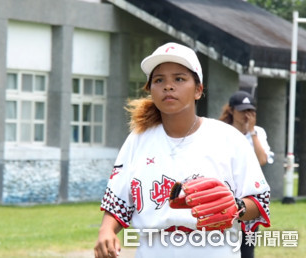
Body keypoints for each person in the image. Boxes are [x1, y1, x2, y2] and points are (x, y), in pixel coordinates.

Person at [94, 42, 270, 258]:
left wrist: (236, 207)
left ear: (198, 90)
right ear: (151, 90)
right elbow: (118, 202)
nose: (168, 86)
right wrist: (106, 230)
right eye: (159, 80)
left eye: (179, 78)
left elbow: (259, 200)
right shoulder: (138, 140)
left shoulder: (229, 138)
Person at [219, 90, 274, 258]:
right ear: (231, 110)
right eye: (243, 111)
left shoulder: (258, 132)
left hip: (249, 201)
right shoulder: (220, 132)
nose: (247, 115)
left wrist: (252, 132)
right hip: (225, 197)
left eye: (251, 111)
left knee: (247, 250)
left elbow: (262, 159)